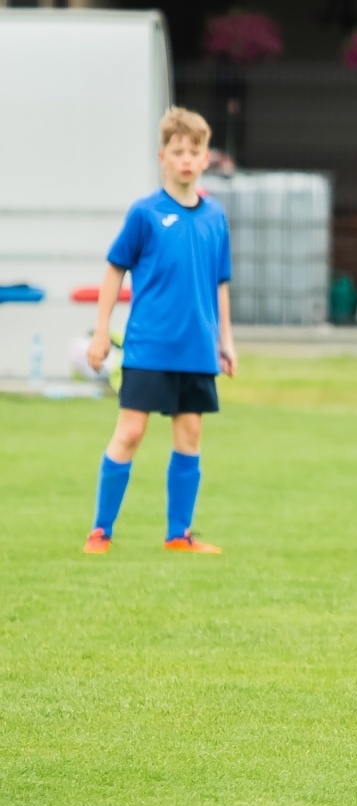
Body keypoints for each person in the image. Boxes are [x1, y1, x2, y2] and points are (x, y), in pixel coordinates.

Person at [82, 107, 235, 555]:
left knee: (189, 436)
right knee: (129, 433)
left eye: (195, 151)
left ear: (207, 158)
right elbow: (114, 271)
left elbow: (220, 283)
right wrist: (100, 333)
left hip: (197, 349)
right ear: (162, 157)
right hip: (149, 347)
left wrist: (226, 341)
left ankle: (178, 535)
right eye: (178, 151)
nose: (186, 159)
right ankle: (100, 531)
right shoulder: (145, 214)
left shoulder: (215, 218)